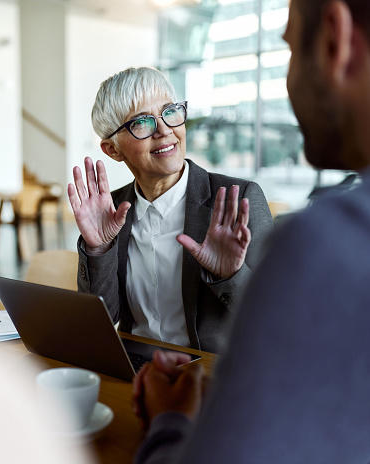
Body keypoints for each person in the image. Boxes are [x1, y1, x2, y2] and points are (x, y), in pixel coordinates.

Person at [132, 0, 370, 462]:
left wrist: (170, 421)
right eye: (143, 122)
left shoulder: (328, 243)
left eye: (288, 50)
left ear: (333, 38)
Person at [68, 66, 273, 354]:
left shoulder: (238, 201)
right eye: (141, 122)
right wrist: (99, 249)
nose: (165, 131)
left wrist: (230, 275)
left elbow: (277, 318)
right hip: (136, 372)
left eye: (170, 112)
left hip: (210, 378)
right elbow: (98, 322)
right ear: (113, 150)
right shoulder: (110, 212)